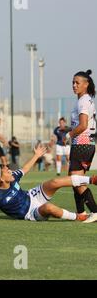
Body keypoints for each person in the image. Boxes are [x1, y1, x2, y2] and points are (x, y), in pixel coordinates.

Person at [0, 145, 94, 223]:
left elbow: (25, 168)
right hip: (30, 212)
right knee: (49, 207)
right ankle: (78, 217)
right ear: (1, 180)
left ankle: (92, 180)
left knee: (54, 182)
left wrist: (36, 155)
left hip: (32, 196)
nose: (10, 171)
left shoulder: (13, 177)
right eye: (6, 171)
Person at [67, 70, 97, 223]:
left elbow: (83, 125)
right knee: (75, 180)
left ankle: (95, 211)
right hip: (84, 144)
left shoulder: (83, 101)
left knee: (75, 179)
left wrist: (69, 135)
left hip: (82, 144)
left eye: (77, 82)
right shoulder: (85, 99)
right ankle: (81, 213)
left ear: (86, 84)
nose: (74, 85)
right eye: (73, 82)